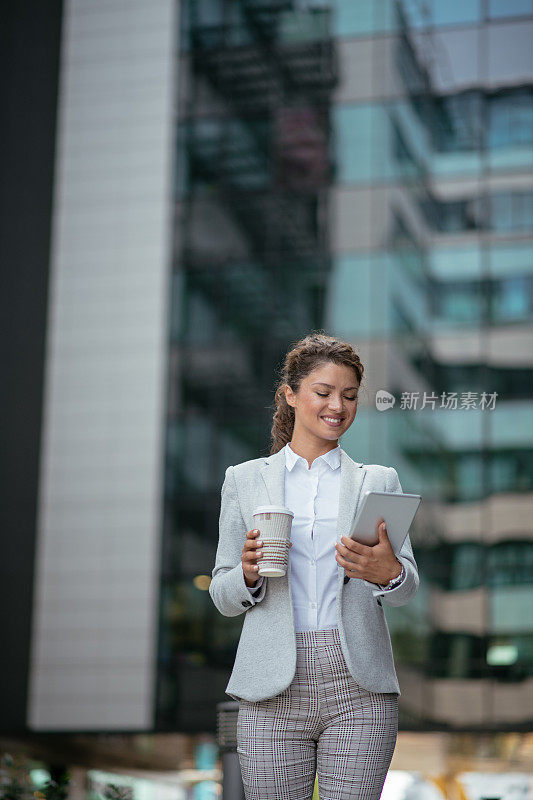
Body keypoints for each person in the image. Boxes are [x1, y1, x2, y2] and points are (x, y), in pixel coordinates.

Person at [209, 332, 419, 800]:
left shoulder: (376, 481)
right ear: (290, 395)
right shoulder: (245, 480)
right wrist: (244, 575)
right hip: (270, 687)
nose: (337, 407)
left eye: (348, 396)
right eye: (323, 393)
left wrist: (388, 572)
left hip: (358, 684)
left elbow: (406, 586)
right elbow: (222, 594)